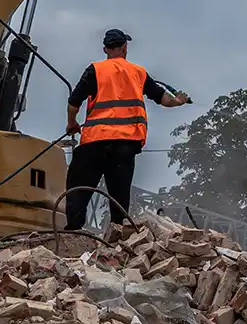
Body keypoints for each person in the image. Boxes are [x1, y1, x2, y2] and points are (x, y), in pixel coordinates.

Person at [64, 28, 189, 230]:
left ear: (105, 49)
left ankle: (74, 232)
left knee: (78, 188)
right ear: (124, 48)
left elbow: (74, 102)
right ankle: (117, 238)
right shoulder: (138, 73)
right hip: (124, 145)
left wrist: (72, 123)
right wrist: (179, 101)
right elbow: (164, 99)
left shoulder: (95, 70)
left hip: (94, 142)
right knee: (119, 196)